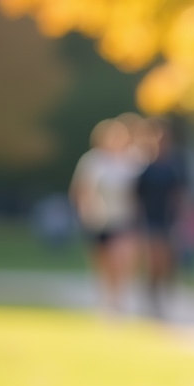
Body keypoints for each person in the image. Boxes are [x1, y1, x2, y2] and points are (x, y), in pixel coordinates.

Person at [69, 118, 141, 315]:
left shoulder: (132, 162)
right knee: (103, 262)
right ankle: (107, 299)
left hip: (124, 219)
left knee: (121, 259)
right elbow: (80, 189)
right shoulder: (93, 161)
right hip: (97, 219)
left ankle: (118, 299)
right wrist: (84, 210)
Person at [134, 119, 186, 318]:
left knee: (167, 262)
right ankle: (151, 297)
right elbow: (137, 196)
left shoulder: (174, 165)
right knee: (153, 260)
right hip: (150, 219)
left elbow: (180, 193)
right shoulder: (145, 167)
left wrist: (180, 219)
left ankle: (162, 297)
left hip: (169, 220)